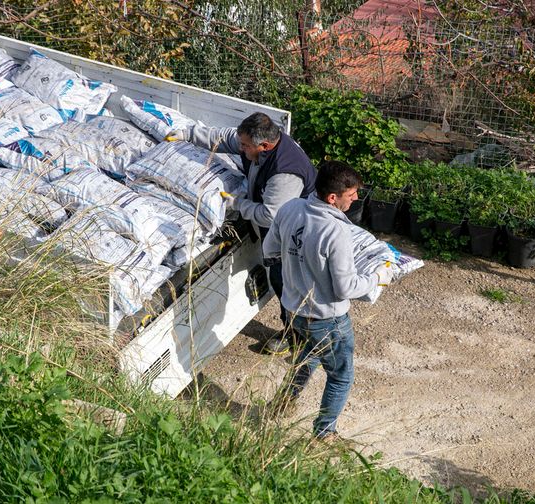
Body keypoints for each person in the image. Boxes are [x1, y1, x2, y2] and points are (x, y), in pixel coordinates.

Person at [262, 160, 393, 442]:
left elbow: (270, 249)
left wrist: (299, 266)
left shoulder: (290, 208)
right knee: (340, 376)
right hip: (326, 318)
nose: (357, 198)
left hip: (294, 307)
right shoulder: (335, 232)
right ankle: (324, 434)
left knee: (307, 357)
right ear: (333, 198)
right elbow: (346, 287)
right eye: (352, 194)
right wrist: (379, 276)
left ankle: (281, 404)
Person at [167, 112, 316, 355]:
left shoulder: (284, 172)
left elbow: (270, 215)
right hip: (276, 228)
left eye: (245, 146)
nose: (240, 148)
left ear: (264, 146)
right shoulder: (258, 147)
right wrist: (188, 134)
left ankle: (299, 338)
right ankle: (297, 331)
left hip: (293, 236)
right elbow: (225, 138)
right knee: (282, 282)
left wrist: (237, 203)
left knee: (287, 284)